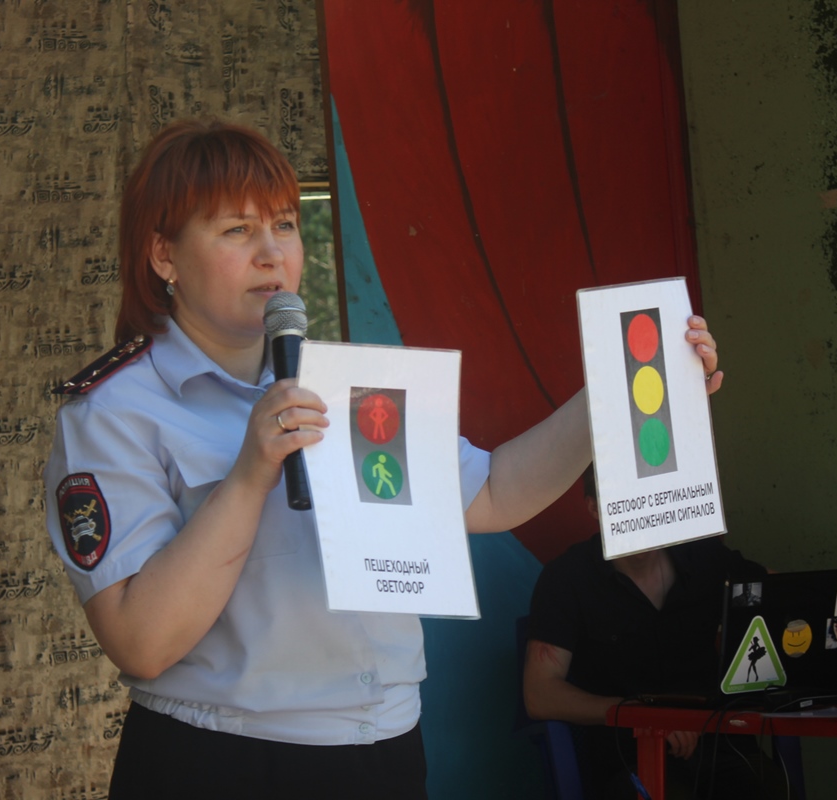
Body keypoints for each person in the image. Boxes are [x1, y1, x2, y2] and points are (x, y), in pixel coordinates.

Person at [43, 118, 724, 799]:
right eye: (236, 230)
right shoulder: (115, 411)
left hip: (385, 752)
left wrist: (621, 393)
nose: (272, 254)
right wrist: (249, 474)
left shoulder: (342, 384)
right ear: (164, 254)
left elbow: (494, 491)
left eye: (284, 225)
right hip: (226, 757)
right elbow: (142, 642)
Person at [523, 470, 837, 799]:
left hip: (720, 746)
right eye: (624, 501)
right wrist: (640, 714)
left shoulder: (702, 557)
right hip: (627, 758)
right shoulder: (567, 579)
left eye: (648, 497)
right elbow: (539, 694)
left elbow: (777, 592)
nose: (640, 512)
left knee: (777, 792)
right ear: (594, 508)